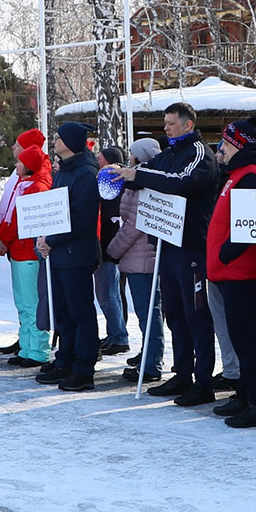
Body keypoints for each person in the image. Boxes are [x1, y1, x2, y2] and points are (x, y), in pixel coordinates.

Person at [119, 102, 221, 406]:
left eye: (171, 124)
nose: (166, 128)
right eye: (164, 123)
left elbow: (182, 183)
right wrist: (124, 173)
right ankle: (183, 374)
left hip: (191, 246)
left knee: (197, 316)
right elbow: (149, 171)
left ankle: (203, 381)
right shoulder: (170, 153)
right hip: (167, 243)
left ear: (188, 125)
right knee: (175, 314)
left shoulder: (199, 153)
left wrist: (137, 176)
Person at [207, 117, 256, 428]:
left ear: (237, 144)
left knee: (249, 340)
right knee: (241, 338)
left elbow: (249, 225)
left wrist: (226, 252)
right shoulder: (238, 174)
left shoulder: (251, 176)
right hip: (232, 271)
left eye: (225, 142)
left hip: (242, 271)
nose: (220, 148)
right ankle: (245, 394)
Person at [39, 122, 104, 392]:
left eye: (59, 137)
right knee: (63, 312)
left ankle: (84, 368)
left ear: (72, 142)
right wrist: (43, 239)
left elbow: (81, 218)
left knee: (80, 312)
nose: (54, 141)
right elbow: (54, 211)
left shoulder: (87, 173)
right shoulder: (65, 170)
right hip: (60, 253)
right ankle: (65, 359)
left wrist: (51, 240)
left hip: (76, 254)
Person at [109, 136, 166, 384]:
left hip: (142, 258)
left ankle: (152, 364)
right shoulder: (146, 179)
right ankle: (149, 355)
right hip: (143, 256)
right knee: (151, 312)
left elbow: (132, 225)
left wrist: (112, 250)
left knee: (148, 313)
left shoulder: (141, 183)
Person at [0, 143, 52, 369]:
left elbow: (18, 222)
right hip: (19, 251)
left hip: (28, 251)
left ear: (28, 166)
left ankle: (38, 350)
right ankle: (28, 347)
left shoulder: (36, 188)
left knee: (32, 303)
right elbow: (10, 220)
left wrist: (2, 238)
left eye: (20, 162)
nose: (16, 164)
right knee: (23, 303)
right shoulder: (24, 185)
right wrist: (1, 237)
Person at [92, 145, 131, 359]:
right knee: (110, 293)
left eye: (100, 158)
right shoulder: (113, 180)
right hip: (109, 245)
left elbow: (109, 216)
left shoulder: (111, 181)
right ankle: (114, 334)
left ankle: (118, 336)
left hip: (108, 246)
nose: (97, 161)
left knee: (107, 294)